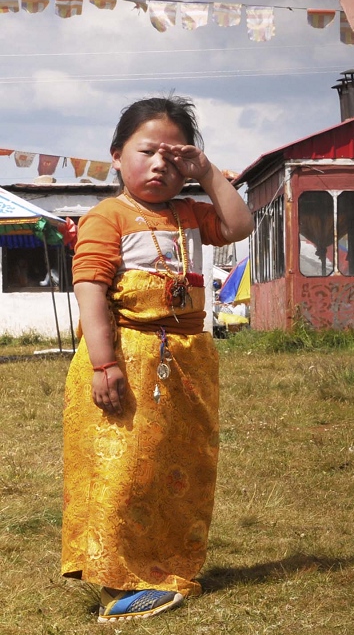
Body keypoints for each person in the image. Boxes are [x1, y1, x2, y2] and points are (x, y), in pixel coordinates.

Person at [61, 96, 254, 623]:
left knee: (179, 467)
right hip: (125, 359)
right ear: (117, 155)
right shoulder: (107, 217)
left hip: (188, 362)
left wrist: (208, 172)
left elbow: (240, 226)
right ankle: (118, 577)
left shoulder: (193, 213)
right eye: (147, 152)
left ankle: (169, 565)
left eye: (174, 159)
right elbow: (91, 292)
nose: (159, 166)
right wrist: (105, 365)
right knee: (124, 470)